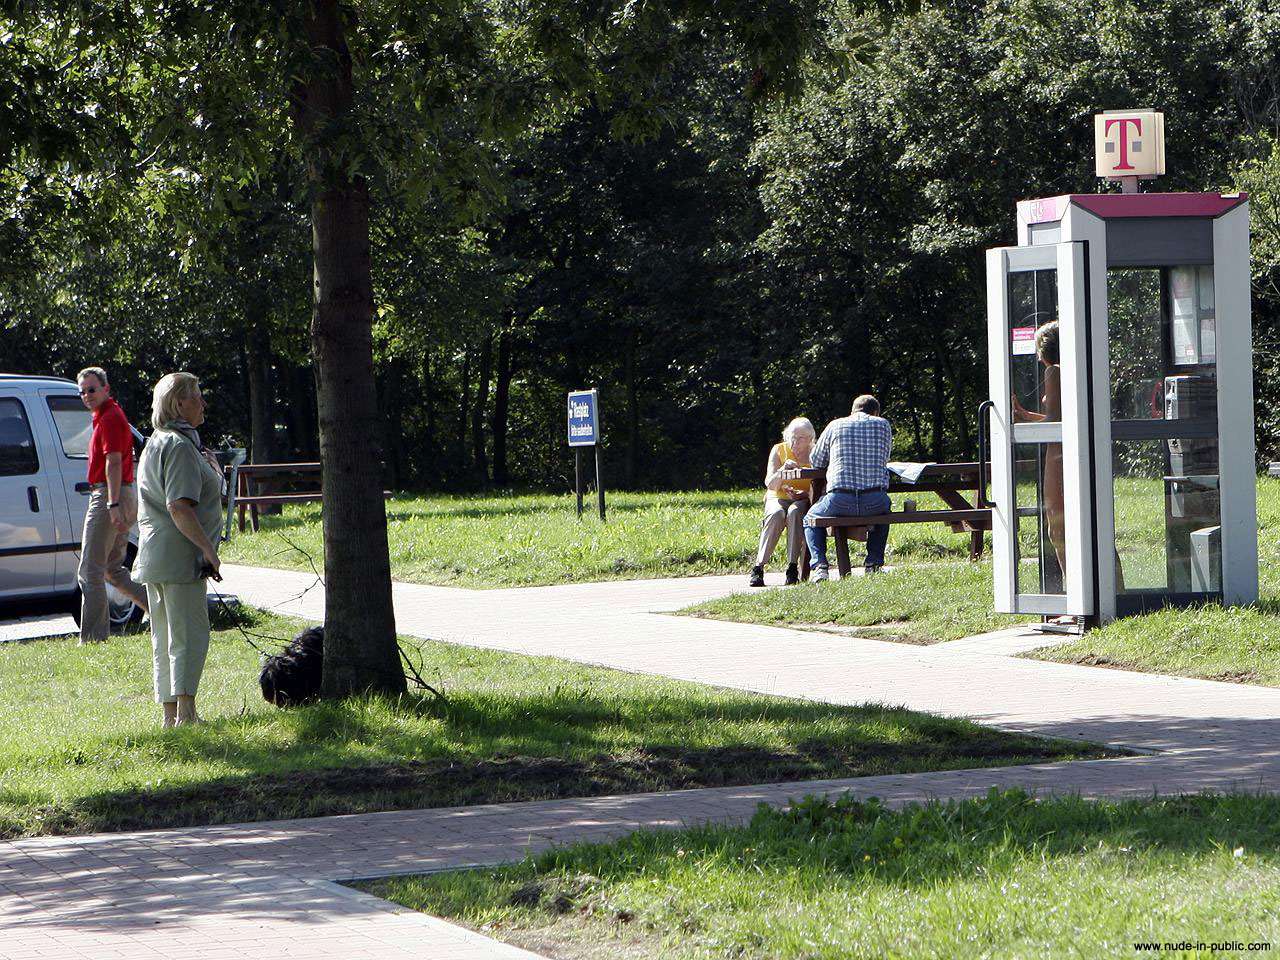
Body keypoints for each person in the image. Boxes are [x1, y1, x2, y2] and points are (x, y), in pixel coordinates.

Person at [134, 373, 223, 727]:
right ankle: (187, 714)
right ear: (179, 403)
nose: (203, 403)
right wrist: (209, 550)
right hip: (180, 556)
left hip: (155, 555)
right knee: (189, 634)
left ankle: (170, 715)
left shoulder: (157, 441)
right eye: (197, 397)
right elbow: (179, 506)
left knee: (164, 636)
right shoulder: (181, 447)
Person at [75, 366, 149, 644]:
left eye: (92, 390)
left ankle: (93, 639)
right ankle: (164, 611)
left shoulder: (110, 417)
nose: (87, 395)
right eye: (82, 392)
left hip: (109, 494)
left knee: (89, 571)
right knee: (112, 570)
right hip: (121, 494)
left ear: (106, 389)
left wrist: (113, 503)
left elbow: (114, 461)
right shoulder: (106, 416)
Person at [803, 395, 893, 582]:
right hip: (874, 500)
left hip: (840, 500)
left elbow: (816, 461)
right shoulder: (883, 425)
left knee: (810, 518)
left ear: (852, 411)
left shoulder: (835, 425)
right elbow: (885, 457)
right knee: (885, 509)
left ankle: (820, 567)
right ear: (876, 412)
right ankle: (873, 564)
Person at [1010, 321, 1066, 586]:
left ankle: (1072, 584)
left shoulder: (1053, 371)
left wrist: (1026, 425)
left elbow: (1054, 422)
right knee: (1062, 524)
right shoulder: (1071, 371)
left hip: (1057, 453)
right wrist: (1026, 415)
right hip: (1062, 449)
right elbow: (1058, 417)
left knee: (1058, 525)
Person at [750, 417, 815, 587]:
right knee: (777, 514)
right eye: (792, 437)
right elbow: (770, 484)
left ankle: (792, 568)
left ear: (810, 439)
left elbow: (821, 487)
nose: (795, 442)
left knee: (795, 512)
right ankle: (758, 567)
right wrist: (782, 469)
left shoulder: (815, 454)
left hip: (802, 499)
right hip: (777, 496)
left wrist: (804, 494)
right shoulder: (779, 450)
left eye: (800, 438)